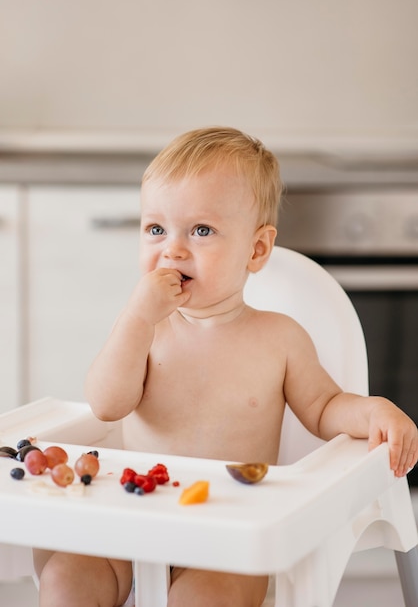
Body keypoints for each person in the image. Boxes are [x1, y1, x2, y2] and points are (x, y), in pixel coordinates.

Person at [34, 126, 418, 607]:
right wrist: (135, 318)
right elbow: (107, 405)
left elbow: (325, 407)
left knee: (207, 599)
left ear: (256, 250)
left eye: (201, 230)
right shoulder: (145, 329)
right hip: (132, 519)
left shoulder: (279, 338)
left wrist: (374, 411)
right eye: (156, 229)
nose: (172, 249)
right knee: (64, 577)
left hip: (228, 537)